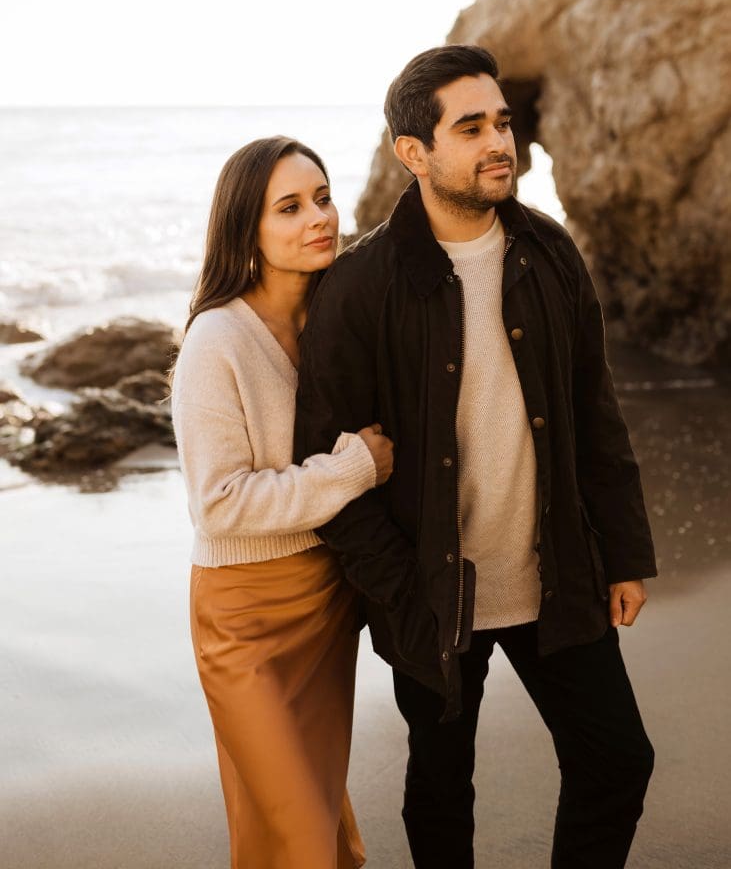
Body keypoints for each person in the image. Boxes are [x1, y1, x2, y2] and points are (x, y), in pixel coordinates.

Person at [294, 45, 657, 869]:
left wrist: (623, 553)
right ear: (413, 153)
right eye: (472, 127)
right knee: (439, 784)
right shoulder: (360, 286)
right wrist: (398, 591)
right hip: (429, 592)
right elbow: (323, 461)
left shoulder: (549, 251)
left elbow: (594, 414)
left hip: (555, 573)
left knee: (615, 759)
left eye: (501, 121)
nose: (500, 141)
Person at [172, 135, 393, 869]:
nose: (319, 218)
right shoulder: (217, 338)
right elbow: (219, 504)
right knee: (297, 830)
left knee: (311, 826)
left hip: (323, 604)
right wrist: (353, 468)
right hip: (243, 619)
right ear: (248, 229)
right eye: (290, 207)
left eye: (323, 199)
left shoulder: (332, 324)